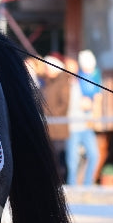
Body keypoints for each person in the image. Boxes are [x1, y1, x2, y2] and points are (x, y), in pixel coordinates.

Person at [66, 55, 100, 186]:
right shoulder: (66, 85)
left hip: (85, 125)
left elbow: (92, 99)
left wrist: (91, 105)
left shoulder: (82, 81)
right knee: (72, 160)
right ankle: (72, 185)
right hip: (72, 127)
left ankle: (87, 184)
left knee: (94, 155)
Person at [41, 54, 70, 183]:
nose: (46, 71)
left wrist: (48, 114)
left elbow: (63, 104)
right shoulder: (47, 82)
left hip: (58, 128)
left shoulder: (63, 82)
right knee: (50, 157)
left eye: (48, 68)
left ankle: (62, 182)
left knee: (59, 157)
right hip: (48, 127)